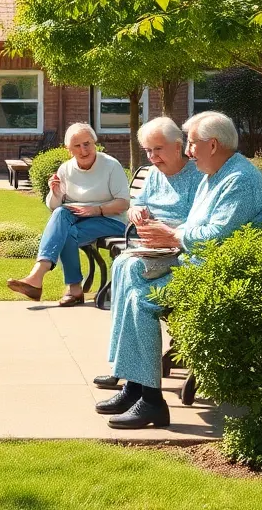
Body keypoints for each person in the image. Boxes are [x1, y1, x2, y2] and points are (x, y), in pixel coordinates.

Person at [97, 110, 262, 429]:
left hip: (219, 275)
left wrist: (173, 236)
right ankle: (136, 387)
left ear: (212, 145)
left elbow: (216, 237)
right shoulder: (218, 174)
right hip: (198, 265)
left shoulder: (238, 180)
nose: (189, 152)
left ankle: (150, 401)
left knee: (141, 299)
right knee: (131, 273)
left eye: (192, 144)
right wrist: (167, 237)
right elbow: (200, 228)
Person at [92, 117, 203, 392]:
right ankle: (123, 365)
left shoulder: (198, 176)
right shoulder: (153, 174)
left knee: (129, 272)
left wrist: (167, 230)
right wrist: (135, 212)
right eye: (148, 151)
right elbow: (138, 202)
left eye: (158, 149)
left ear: (178, 146)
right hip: (153, 248)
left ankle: (134, 375)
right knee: (121, 265)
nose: (153, 157)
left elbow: (199, 222)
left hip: (179, 251)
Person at [7, 123, 129, 307]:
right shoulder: (66, 169)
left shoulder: (111, 166)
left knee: (64, 230)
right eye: (77, 146)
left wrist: (97, 210)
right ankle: (48, 280)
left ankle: (54, 283)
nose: (83, 150)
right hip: (78, 217)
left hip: (111, 220)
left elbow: (123, 203)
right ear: (68, 150)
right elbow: (53, 206)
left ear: (95, 143)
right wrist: (56, 193)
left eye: (87, 143)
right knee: (62, 213)